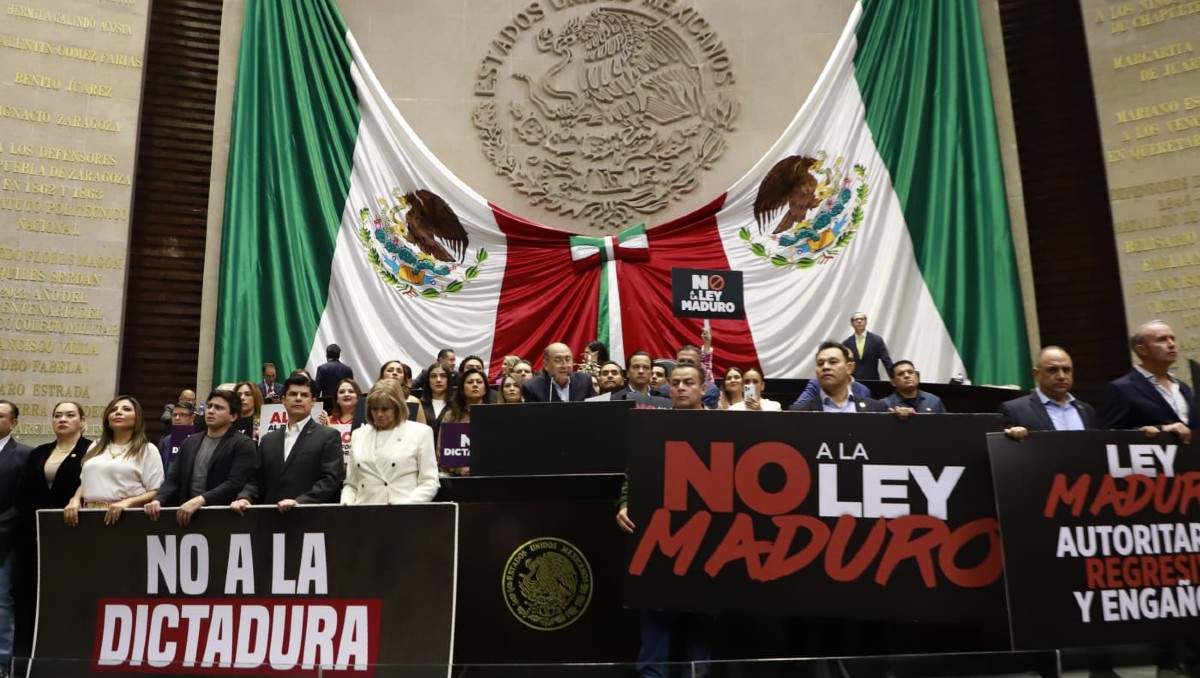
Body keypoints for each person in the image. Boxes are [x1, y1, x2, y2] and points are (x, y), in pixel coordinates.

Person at [615, 366, 712, 677]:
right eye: (676, 383)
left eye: (688, 383)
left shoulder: (724, 425)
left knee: (698, 644)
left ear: (702, 388)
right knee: (655, 633)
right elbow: (634, 474)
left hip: (710, 546)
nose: (681, 388)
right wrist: (625, 503)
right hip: (659, 543)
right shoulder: (652, 426)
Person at [231, 374, 343, 513]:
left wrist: (300, 502)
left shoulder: (328, 436)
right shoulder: (267, 440)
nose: (298, 398)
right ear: (283, 399)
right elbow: (256, 480)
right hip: (270, 521)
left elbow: (330, 480)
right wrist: (245, 498)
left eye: (304, 395)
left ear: (313, 401)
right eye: (293, 394)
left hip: (310, 520)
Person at [145, 390, 257, 527]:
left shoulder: (243, 444)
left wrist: (201, 500)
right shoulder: (190, 442)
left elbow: (234, 483)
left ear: (233, 416)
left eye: (218, 408)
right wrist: (158, 499)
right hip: (188, 516)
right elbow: (174, 478)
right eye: (210, 406)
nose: (211, 411)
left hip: (224, 518)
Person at [64, 396, 163, 527]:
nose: (118, 412)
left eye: (126, 409)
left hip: (126, 518)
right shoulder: (96, 445)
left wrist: (126, 503)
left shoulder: (147, 449)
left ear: (137, 418)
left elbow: (156, 491)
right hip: (89, 517)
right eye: (113, 409)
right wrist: (75, 499)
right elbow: (85, 482)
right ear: (107, 419)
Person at [343, 381, 439, 504]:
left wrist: (406, 505)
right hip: (364, 513)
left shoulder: (421, 433)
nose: (379, 414)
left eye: (385, 409)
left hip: (404, 514)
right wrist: (346, 503)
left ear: (398, 408)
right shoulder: (358, 434)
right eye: (374, 408)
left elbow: (429, 481)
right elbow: (351, 484)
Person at [1103, 321, 1196, 442]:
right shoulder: (1121, 388)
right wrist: (1160, 429)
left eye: (1173, 339)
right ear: (1142, 350)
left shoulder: (1182, 387)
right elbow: (1109, 435)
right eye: (1162, 340)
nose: (1172, 344)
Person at [1000, 346, 1099, 440]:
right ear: (1036, 374)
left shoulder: (1087, 411)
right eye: (1053, 370)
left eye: (1066, 370)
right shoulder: (1015, 410)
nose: (1061, 376)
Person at [0, 401, 32, 675]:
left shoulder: (24, 455)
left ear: (13, 423)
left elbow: (22, 501)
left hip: (5, 538)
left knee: (2, 600)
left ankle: (2, 660)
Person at [790, 342, 909, 415]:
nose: (825, 367)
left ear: (849, 367)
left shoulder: (877, 408)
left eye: (833, 362)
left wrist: (904, 419)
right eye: (820, 363)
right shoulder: (799, 412)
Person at [438, 368, 489, 476]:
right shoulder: (451, 416)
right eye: (470, 382)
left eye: (479, 382)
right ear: (462, 389)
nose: (475, 385)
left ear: (485, 389)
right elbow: (442, 452)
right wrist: (460, 469)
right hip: (457, 477)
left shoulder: (495, 414)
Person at [523, 342, 597, 402]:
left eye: (568, 359)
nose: (564, 365)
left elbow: (595, 409)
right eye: (558, 360)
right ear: (546, 364)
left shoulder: (584, 381)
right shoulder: (532, 388)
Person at [843, 312, 894, 381]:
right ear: (852, 324)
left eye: (861, 319)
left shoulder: (877, 340)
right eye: (856, 319)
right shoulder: (846, 343)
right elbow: (843, 364)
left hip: (873, 380)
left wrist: (894, 377)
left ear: (866, 322)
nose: (859, 321)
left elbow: (886, 361)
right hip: (853, 382)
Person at [882, 360, 948, 413]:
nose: (907, 376)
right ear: (893, 382)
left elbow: (946, 426)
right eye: (901, 374)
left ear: (917, 377)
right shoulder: (885, 404)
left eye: (910, 372)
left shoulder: (933, 401)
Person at [675, 343, 719, 409]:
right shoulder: (664, 390)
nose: (685, 364)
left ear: (699, 365)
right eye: (681, 361)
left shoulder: (710, 391)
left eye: (690, 362)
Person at [420, 363, 454, 440]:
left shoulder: (457, 406)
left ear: (449, 379)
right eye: (433, 376)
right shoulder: (419, 405)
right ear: (428, 380)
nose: (438, 380)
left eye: (443, 376)